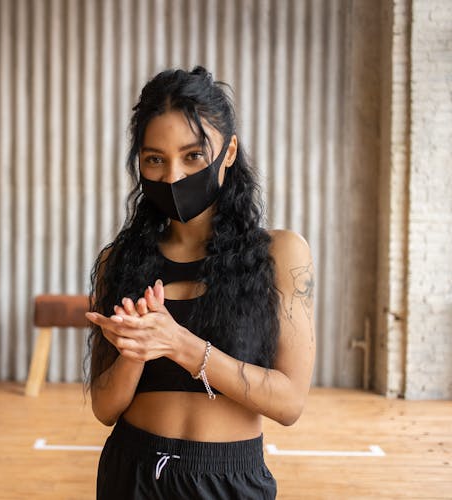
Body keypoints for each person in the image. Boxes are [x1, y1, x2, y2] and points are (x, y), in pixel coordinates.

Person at [84, 66, 316, 500]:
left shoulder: (280, 254)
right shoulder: (122, 260)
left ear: (228, 154)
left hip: (227, 480)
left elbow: (289, 404)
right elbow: (104, 408)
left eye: (192, 156)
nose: (173, 177)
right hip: (130, 472)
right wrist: (137, 350)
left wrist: (178, 344)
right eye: (156, 159)